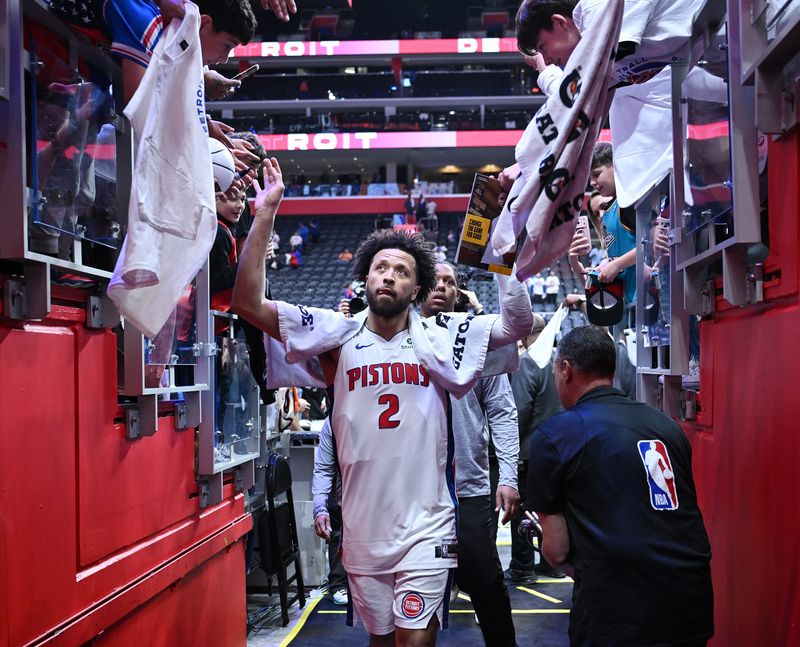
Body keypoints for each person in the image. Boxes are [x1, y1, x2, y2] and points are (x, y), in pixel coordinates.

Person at [232, 157, 532, 646]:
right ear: (365, 280)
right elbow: (247, 305)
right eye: (380, 267)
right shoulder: (335, 340)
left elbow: (516, 324)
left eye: (402, 270)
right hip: (365, 528)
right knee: (381, 641)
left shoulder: (442, 335)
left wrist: (501, 247)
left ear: (417, 287)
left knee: (415, 641)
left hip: (427, 525)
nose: (389, 275)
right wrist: (264, 214)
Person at [527, 326, 714, 646]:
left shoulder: (556, 435)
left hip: (617, 613)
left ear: (565, 370)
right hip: (690, 601)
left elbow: (556, 552)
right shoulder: (667, 427)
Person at [419, 262, 520, 647]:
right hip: (414, 492)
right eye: (435, 280)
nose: (442, 287)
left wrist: (508, 476)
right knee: (415, 591)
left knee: (486, 585)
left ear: (459, 293)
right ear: (417, 288)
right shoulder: (397, 338)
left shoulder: (476, 339)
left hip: (469, 490)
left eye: (450, 282)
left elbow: (503, 412)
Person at [507, 314, 563, 583]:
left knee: (521, 512)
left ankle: (522, 566)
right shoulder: (559, 362)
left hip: (529, 451)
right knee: (549, 510)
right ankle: (550, 562)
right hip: (558, 450)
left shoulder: (528, 363)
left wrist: (510, 450)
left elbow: (519, 412)